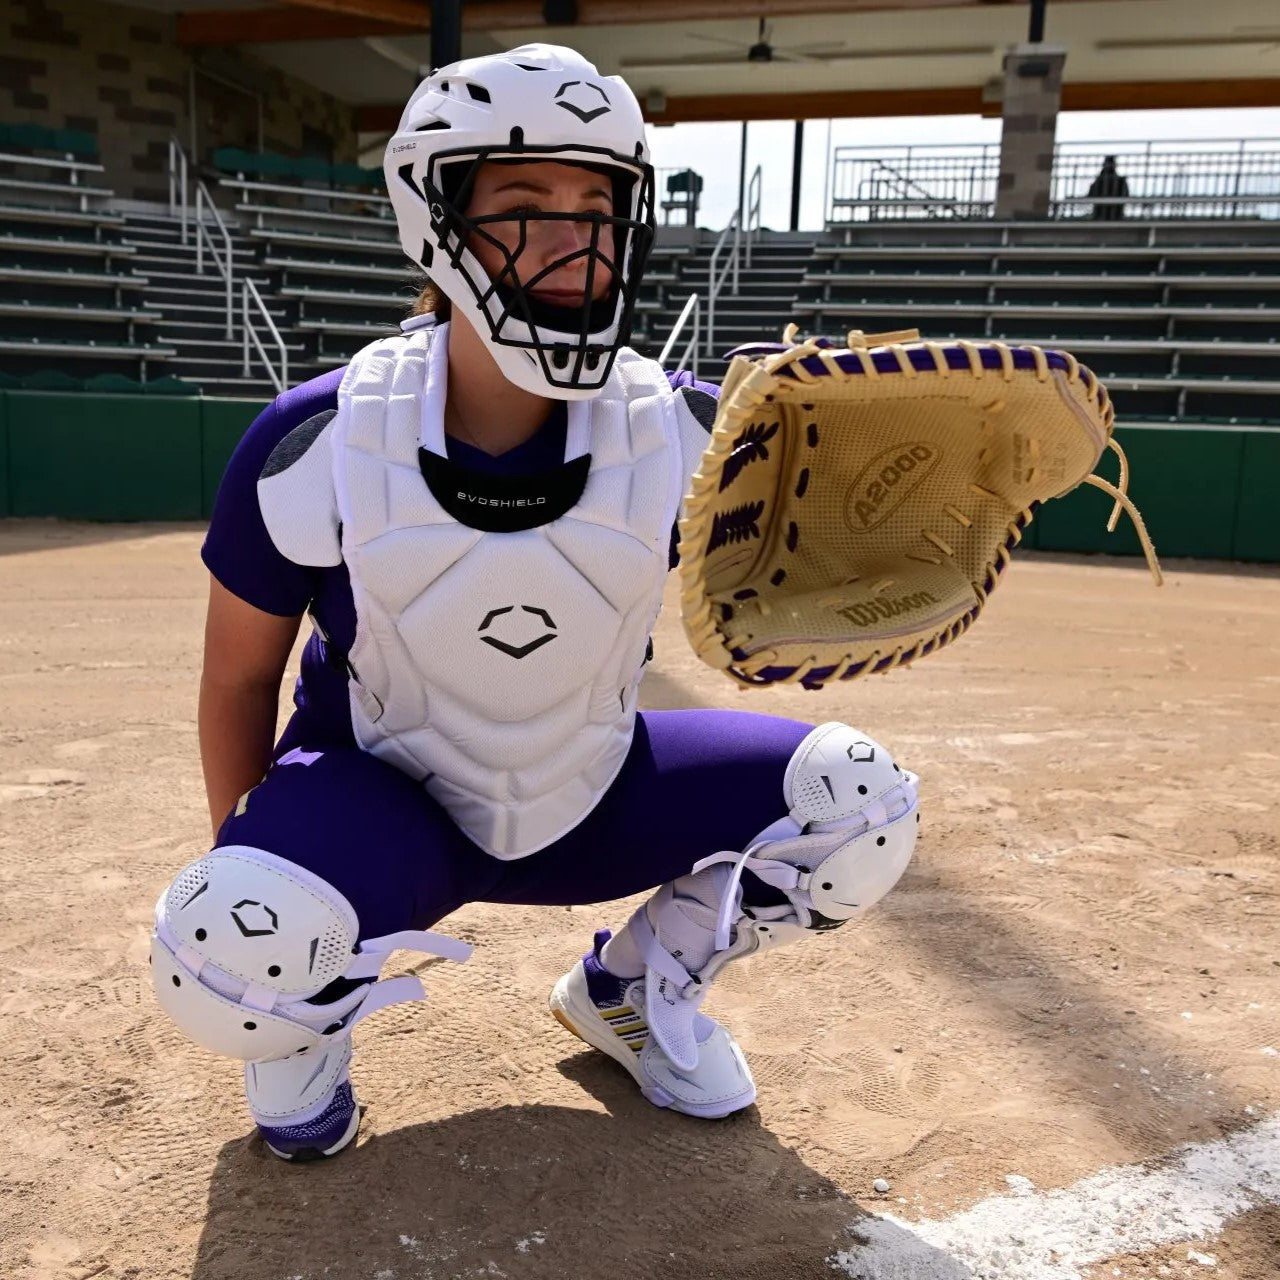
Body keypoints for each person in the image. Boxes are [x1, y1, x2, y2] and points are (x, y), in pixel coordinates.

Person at [149, 43, 920, 1162]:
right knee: (223, 935)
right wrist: (271, 896)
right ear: (436, 215)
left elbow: (798, 579)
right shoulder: (315, 439)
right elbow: (236, 678)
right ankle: (306, 1024)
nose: (571, 233)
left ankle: (624, 988)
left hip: (590, 786)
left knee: (861, 804)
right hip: (384, 801)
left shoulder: (696, 433)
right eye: (523, 201)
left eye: (596, 203)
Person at [1087, 155, 1129, 221]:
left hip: (1099, 215)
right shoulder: (1121, 181)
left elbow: (1090, 196)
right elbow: (1126, 196)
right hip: (1116, 216)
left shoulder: (1099, 181)